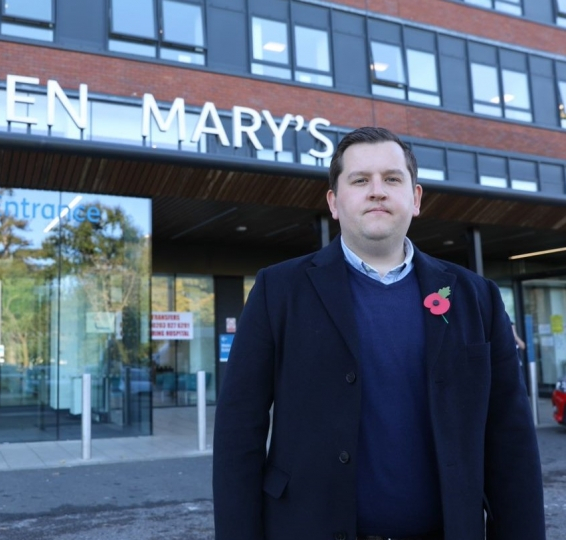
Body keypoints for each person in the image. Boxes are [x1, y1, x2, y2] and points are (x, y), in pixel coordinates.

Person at [213, 127, 545, 540]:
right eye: (359, 180)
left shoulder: (476, 297)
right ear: (334, 202)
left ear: (415, 198)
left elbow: (510, 441)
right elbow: (237, 434)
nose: (377, 191)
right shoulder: (277, 291)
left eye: (391, 179)